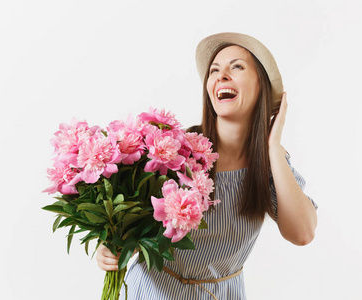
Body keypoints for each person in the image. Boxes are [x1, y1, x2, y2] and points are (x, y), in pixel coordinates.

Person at [96, 32, 318, 300]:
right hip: (155, 292)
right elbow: (136, 229)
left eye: (236, 66)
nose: (222, 75)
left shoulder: (270, 165)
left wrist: (273, 147)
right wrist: (113, 248)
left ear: (261, 85)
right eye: (215, 70)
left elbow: (302, 234)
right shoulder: (177, 152)